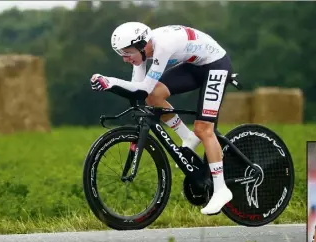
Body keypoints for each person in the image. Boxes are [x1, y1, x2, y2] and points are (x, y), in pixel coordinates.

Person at [90, 22, 233, 215]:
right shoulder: (141, 52)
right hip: (193, 65)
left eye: (127, 53)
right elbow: (140, 90)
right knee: (153, 97)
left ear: (141, 45)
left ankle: (221, 190)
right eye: (121, 54)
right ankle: (187, 137)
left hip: (215, 64)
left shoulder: (163, 46)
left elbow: (141, 89)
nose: (125, 59)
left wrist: (110, 82)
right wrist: (109, 84)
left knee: (203, 129)